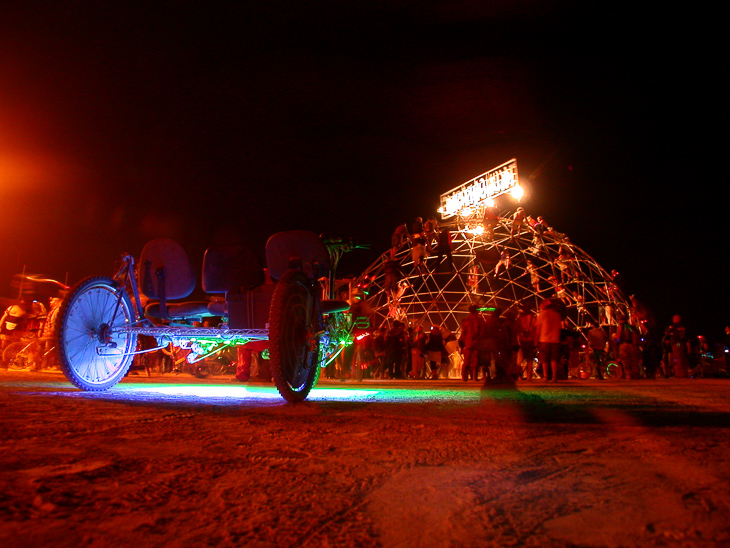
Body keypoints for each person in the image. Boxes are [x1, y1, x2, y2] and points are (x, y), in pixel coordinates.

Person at [534, 299, 563, 382]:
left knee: (544, 359)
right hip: (555, 339)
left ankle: (546, 376)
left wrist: (536, 339)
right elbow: (559, 327)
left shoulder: (542, 315)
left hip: (544, 339)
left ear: (544, 305)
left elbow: (538, 328)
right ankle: (554, 376)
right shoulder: (557, 315)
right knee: (554, 359)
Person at [1, 299, 31, 369]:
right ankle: (3, 361)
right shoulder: (11, 307)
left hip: (16, 330)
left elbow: (25, 322)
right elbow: (4, 316)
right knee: (3, 345)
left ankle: (10, 362)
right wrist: (0, 325)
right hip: (6, 328)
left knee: (13, 346)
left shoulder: (24, 310)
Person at [459, 304, 485, 381]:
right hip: (476, 343)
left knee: (467, 360)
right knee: (475, 360)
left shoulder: (465, 321)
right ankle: (474, 377)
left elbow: (463, 333)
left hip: (468, 343)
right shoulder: (479, 320)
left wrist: (462, 343)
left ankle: (464, 377)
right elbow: (481, 332)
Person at [514, 303, 536, 380]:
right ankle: (529, 376)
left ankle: (519, 376)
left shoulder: (520, 318)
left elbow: (516, 328)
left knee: (520, 359)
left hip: (522, 340)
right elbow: (535, 328)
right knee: (530, 359)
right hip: (531, 340)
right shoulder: (533, 317)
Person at [616, 314, 640, 379]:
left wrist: (616, 340)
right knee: (634, 361)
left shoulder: (621, 326)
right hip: (633, 346)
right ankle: (636, 375)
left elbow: (619, 335)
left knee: (625, 361)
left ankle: (628, 375)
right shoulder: (631, 327)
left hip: (624, 345)